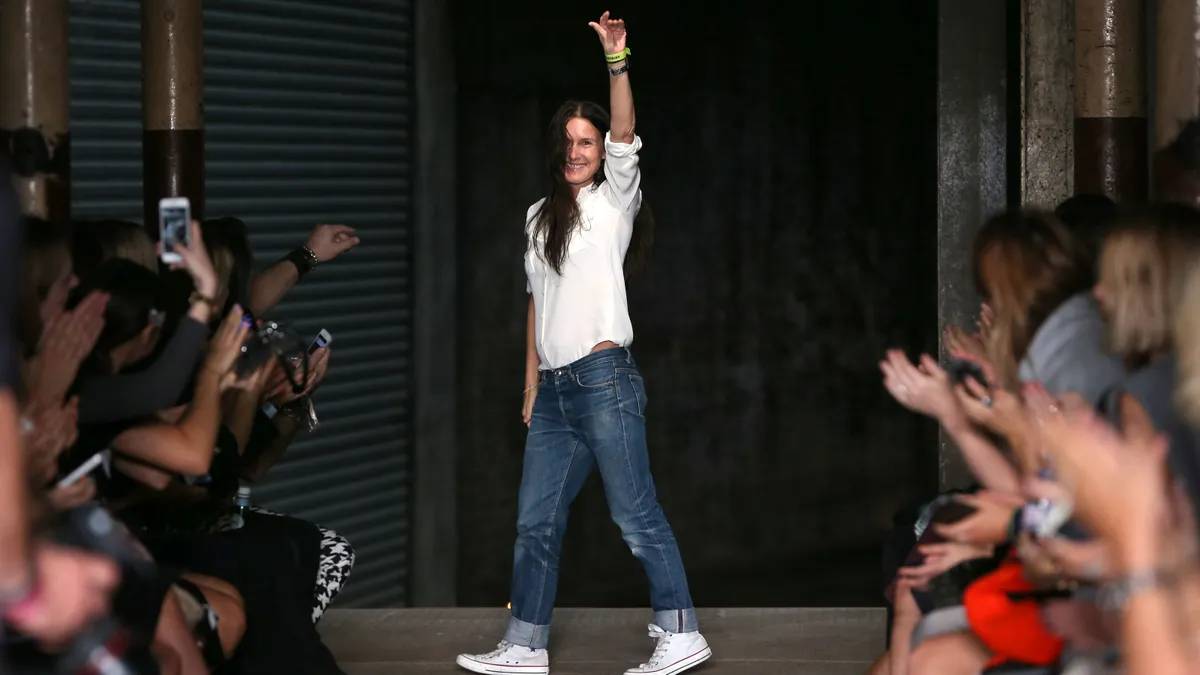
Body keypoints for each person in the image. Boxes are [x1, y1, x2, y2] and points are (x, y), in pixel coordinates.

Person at [456, 12, 710, 675]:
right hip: (556, 395)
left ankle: (682, 628)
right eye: (568, 140)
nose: (578, 150)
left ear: (602, 152)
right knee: (534, 522)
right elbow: (538, 301)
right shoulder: (537, 218)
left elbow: (627, 129)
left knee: (633, 513)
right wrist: (531, 383)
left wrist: (616, 57)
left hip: (604, 378)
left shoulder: (613, 202)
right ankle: (525, 644)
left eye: (588, 141)